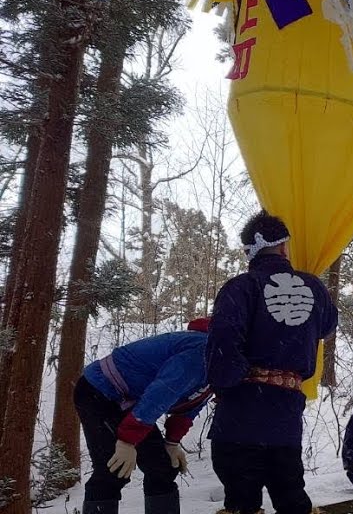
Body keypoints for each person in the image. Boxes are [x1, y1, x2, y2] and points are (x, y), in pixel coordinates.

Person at [207, 211, 338, 514]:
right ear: (283, 248)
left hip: (241, 415)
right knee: (290, 495)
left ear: (248, 252)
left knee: (241, 501)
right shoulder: (314, 287)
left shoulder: (241, 287)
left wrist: (231, 381)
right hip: (285, 414)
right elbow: (327, 326)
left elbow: (223, 344)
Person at [76, 319, 212, 514]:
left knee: (162, 468)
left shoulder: (224, 360)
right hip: (99, 391)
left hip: (131, 401)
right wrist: (127, 441)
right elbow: (162, 392)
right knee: (112, 470)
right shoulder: (202, 352)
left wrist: (172, 442)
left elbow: (193, 402)